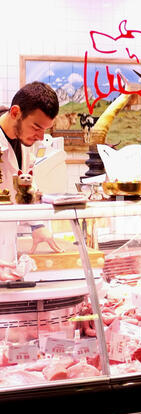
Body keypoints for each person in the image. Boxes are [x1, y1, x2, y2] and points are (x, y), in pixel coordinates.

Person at [0, 81, 64, 279]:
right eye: (37, 127)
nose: (40, 137)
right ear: (15, 112)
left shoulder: (25, 142)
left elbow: (23, 187)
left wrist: (37, 224)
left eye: (45, 129)